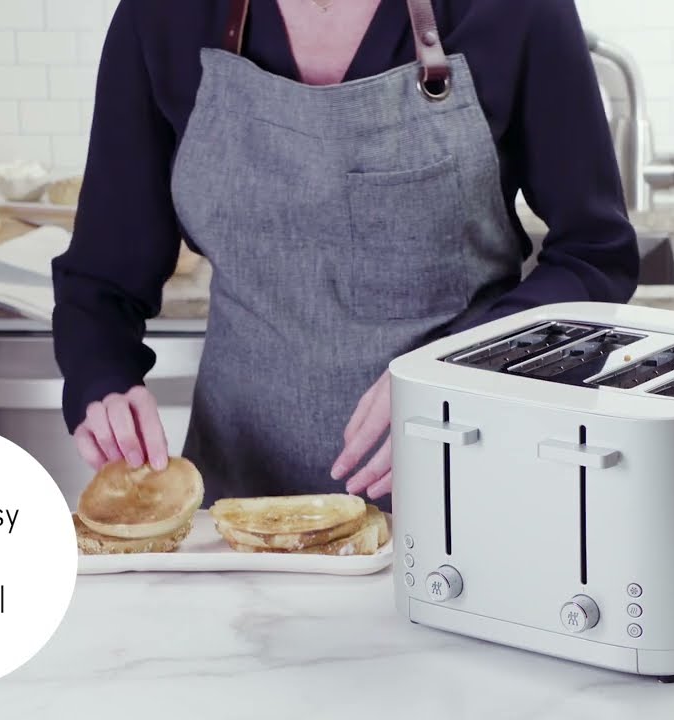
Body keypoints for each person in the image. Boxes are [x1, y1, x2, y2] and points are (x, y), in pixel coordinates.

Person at [52, 0, 640, 512]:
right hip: (235, 517)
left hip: (465, 489)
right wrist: (101, 379)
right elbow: (104, 276)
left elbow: (594, 254)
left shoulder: (512, 10)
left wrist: (460, 369)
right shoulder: (164, 15)